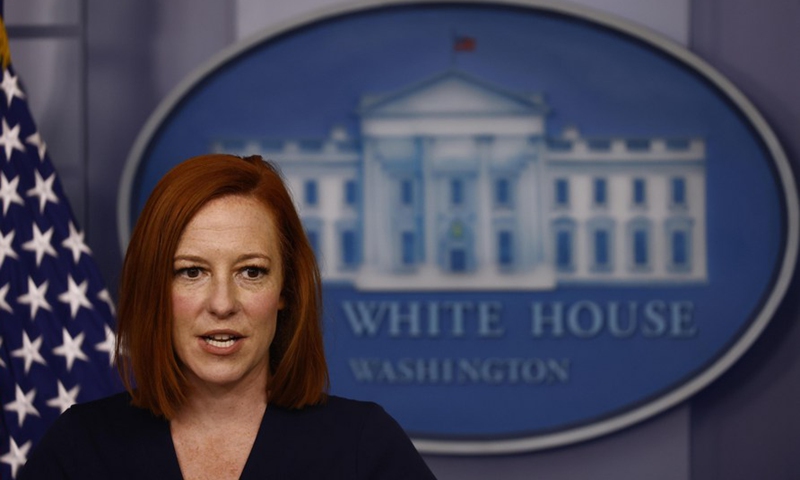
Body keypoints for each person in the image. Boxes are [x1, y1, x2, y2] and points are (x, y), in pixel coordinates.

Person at [20, 154, 437, 479]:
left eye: (251, 272)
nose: (222, 303)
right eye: (192, 272)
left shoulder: (364, 446)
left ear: (285, 291)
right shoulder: (80, 448)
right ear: (154, 291)